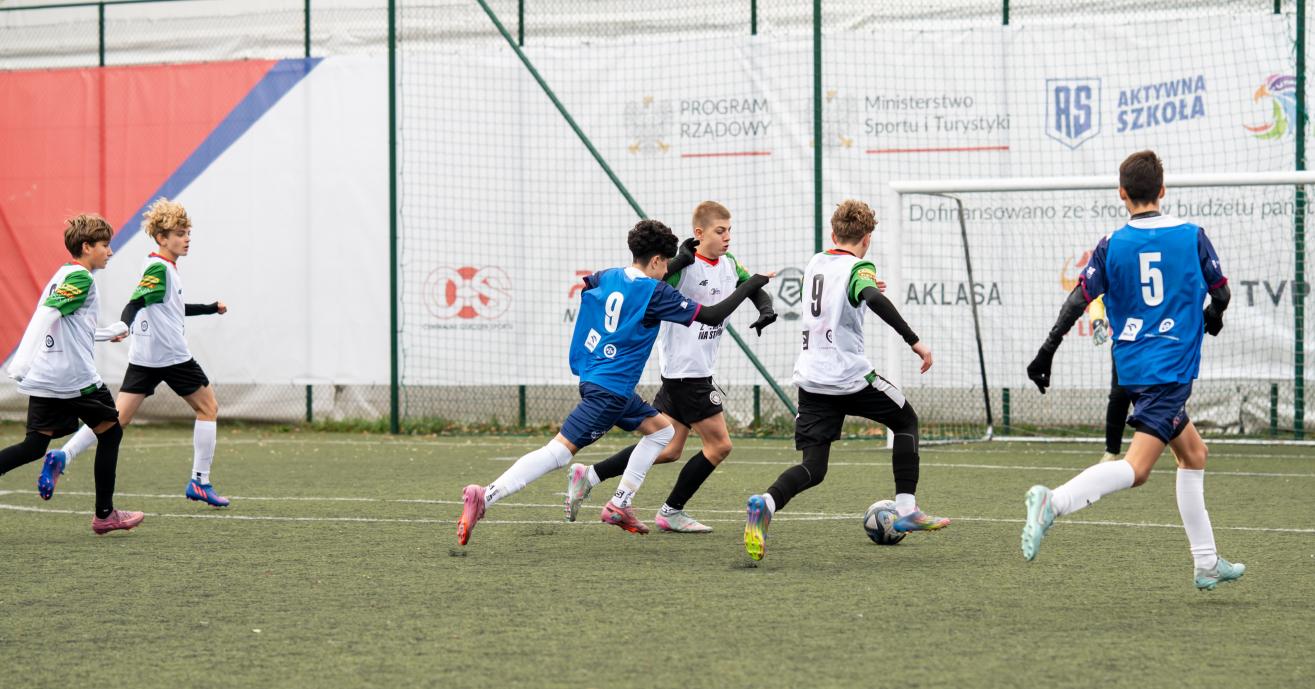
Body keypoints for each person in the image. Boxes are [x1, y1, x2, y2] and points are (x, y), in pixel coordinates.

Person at [456, 219, 771, 545]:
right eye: (665, 265)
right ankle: (486, 495)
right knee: (559, 453)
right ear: (656, 261)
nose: (667, 274)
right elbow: (711, 315)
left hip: (600, 380)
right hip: (610, 392)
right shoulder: (654, 292)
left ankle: (620, 504)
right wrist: (752, 284)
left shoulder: (609, 275)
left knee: (662, 431)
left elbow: (591, 286)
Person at [1022, 150, 1242, 590]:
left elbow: (1078, 299)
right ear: (1163, 190)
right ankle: (1054, 502)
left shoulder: (1110, 244)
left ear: (1121, 194)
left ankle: (1206, 562)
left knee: (1193, 454)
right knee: (1137, 470)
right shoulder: (1192, 236)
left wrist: (1047, 350)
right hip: (1171, 368)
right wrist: (1212, 317)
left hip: (1133, 368)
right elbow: (1221, 293)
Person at [743, 200, 950, 562]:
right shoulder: (860, 266)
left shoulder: (816, 262)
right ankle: (906, 510)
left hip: (811, 379)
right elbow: (869, 296)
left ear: (833, 233)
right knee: (905, 420)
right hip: (849, 377)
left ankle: (767, 504)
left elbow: (842, 291)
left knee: (813, 468)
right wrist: (914, 340)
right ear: (867, 238)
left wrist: (864, 284)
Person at [565, 201, 776, 533]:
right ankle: (671, 511)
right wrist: (680, 256)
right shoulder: (682, 269)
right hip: (687, 373)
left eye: (729, 231)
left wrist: (765, 308)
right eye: (720, 231)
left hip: (686, 373)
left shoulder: (730, 263)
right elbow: (659, 276)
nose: (727, 238)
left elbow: (753, 288)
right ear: (699, 233)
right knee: (720, 445)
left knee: (669, 448)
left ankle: (589, 475)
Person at [42, 199, 230, 507]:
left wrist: (209, 309)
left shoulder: (161, 266)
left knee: (116, 420)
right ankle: (200, 481)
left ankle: (64, 455)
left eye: (187, 232)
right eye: (180, 233)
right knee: (208, 407)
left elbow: (170, 307)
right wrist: (123, 325)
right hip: (172, 356)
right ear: (161, 238)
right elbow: (136, 302)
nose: (186, 238)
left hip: (145, 358)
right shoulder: (158, 268)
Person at [2, 214, 143, 534]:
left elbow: (71, 326)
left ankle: (104, 512)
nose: (110, 251)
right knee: (111, 431)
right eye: (105, 245)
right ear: (86, 246)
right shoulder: (82, 278)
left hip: (47, 376)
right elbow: (46, 315)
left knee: (35, 446)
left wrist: (108, 333)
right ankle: (105, 515)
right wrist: (20, 363)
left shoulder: (61, 274)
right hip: (75, 379)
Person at [1031, 293, 1133, 462]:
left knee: (1158, 395)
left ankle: (1179, 444)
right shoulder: (1115, 272)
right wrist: (1098, 323)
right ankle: (1112, 451)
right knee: (1119, 396)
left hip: (1156, 343)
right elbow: (1098, 301)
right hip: (1124, 345)